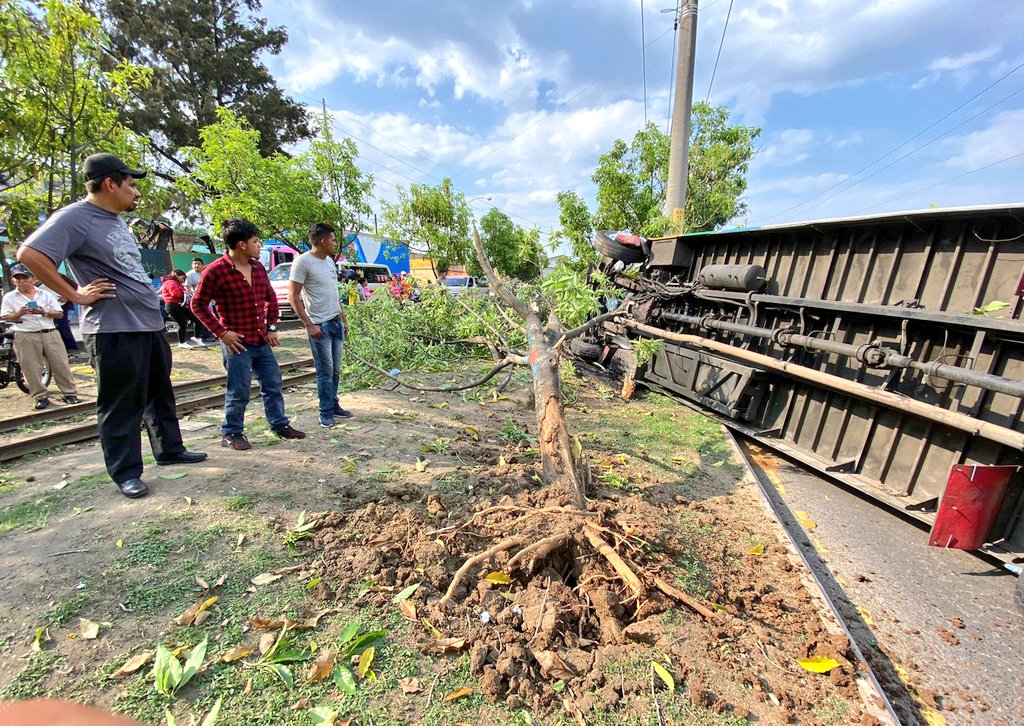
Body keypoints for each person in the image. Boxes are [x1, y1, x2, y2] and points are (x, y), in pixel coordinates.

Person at [16, 152, 207, 499]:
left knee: (158, 391)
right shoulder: (76, 217)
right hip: (113, 327)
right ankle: (126, 472)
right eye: (131, 185)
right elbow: (29, 254)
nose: (136, 193)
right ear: (109, 183)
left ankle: (169, 449)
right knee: (121, 402)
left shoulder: (115, 220)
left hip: (147, 324)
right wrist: (74, 294)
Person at [191, 217, 305, 450]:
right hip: (237, 343)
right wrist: (221, 333)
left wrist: (272, 327)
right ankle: (231, 433)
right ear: (242, 244)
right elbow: (198, 304)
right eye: (255, 241)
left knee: (273, 383)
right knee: (239, 389)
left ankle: (279, 424)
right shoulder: (216, 271)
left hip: (260, 339)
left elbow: (271, 300)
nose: (259, 245)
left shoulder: (258, 268)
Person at [289, 222, 353, 428]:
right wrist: (308, 324)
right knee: (325, 371)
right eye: (333, 240)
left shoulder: (329, 262)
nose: (335, 243)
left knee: (335, 370)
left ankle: (333, 405)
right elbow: (294, 296)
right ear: (323, 241)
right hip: (320, 325)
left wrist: (343, 318)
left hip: (335, 322)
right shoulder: (302, 262)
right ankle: (325, 412)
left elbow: (333, 293)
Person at [0, 264, 80, 409]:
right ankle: (40, 397)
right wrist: (19, 313)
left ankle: (69, 394)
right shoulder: (9, 297)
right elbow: (5, 316)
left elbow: (59, 313)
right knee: (30, 367)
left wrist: (44, 312)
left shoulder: (45, 294)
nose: (22, 281)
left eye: (25, 277)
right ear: (13, 281)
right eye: (18, 278)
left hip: (49, 332)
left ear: (34, 279)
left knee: (60, 364)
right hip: (25, 334)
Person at [159, 269, 207, 349]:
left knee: (197, 319)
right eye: (182, 278)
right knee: (182, 324)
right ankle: (182, 342)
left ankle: (197, 337)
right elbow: (175, 294)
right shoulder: (170, 282)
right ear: (176, 275)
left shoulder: (176, 283)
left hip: (179, 305)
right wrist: (185, 292)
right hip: (172, 306)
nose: (183, 280)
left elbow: (182, 293)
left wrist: (187, 292)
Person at [184, 257, 214, 343]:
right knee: (204, 318)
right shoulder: (189, 275)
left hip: (210, 301)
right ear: (192, 265)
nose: (196, 265)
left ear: (202, 265)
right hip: (199, 301)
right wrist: (195, 296)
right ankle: (205, 336)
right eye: (194, 264)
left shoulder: (206, 272)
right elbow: (187, 288)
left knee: (213, 317)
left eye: (198, 264)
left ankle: (213, 334)